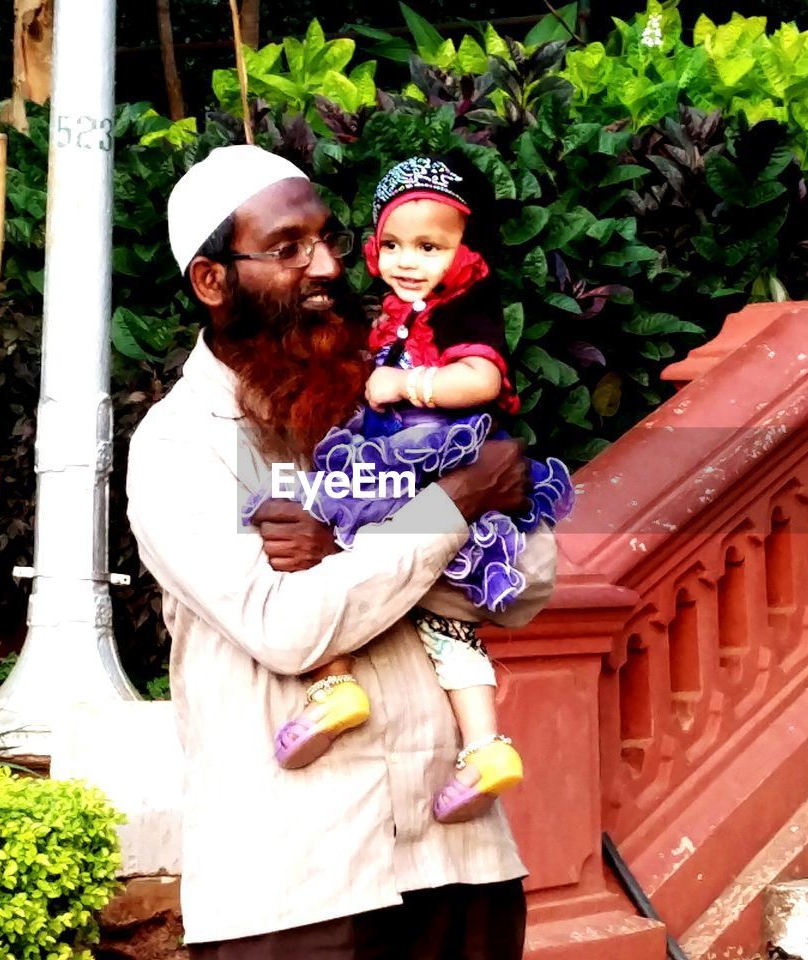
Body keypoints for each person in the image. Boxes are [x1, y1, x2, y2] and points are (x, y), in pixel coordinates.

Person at [125, 143, 558, 959]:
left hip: (459, 857)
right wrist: (449, 508)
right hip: (299, 886)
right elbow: (289, 627)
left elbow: (526, 581)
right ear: (212, 281)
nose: (326, 265)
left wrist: (358, 543)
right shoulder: (182, 445)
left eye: (326, 238)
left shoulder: (394, 395)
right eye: (288, 249)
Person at [259, 155, 573, 827]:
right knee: (442, 620)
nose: (408, 261)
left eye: (430, 247)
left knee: (336, 543)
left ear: (467, 252)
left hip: (423, 461)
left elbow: (482, 381)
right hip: (406, 466)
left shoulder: (462, 310)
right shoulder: (402, 310)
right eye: (395, 244)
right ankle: (481, 745)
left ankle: (337, 684)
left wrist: (410, 386)